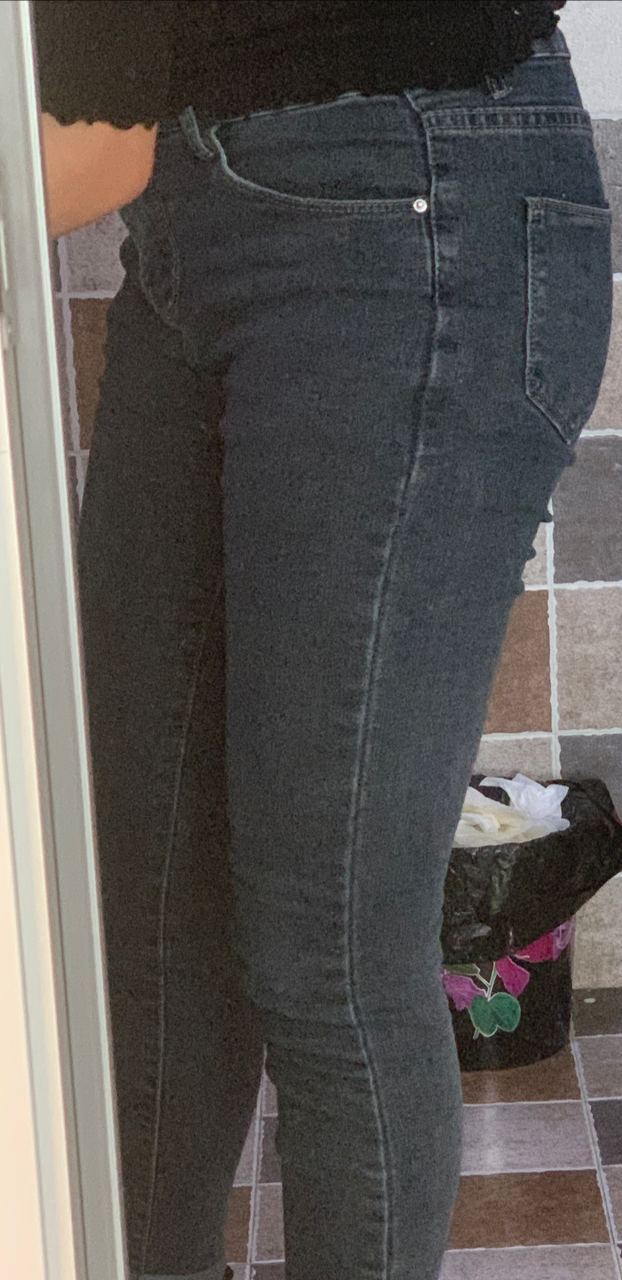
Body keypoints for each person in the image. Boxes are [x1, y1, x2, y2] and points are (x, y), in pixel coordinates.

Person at [34, 4, 611, 1280]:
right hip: (199, 218)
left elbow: (90, 135)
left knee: (326, 945)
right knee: (151, 920)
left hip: (408, 200)